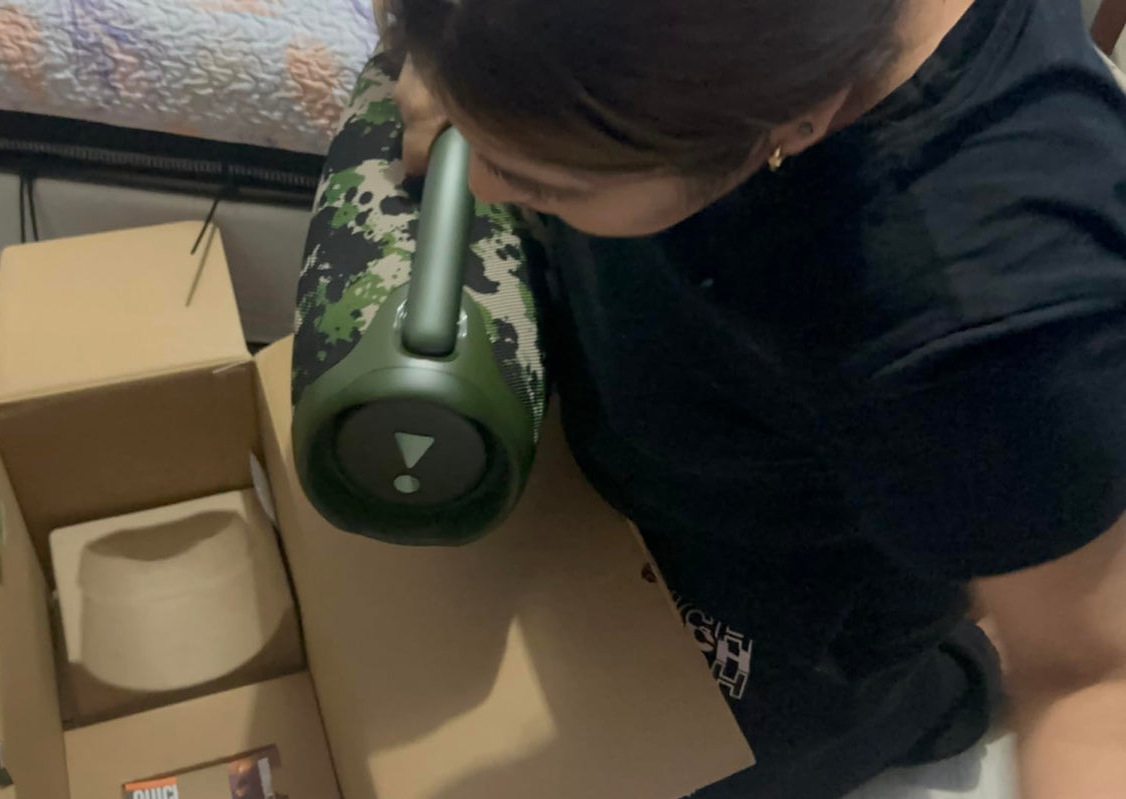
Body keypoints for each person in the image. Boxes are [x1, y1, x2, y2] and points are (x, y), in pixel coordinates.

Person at [386, 0, 1126, 797]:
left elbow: (1091, 678)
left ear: (794, 124)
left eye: (542, 180)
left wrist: (1046, 611)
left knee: (731, 757)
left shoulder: (993, 333)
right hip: (673, 402)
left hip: (797, 576)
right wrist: (469, 71)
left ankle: (957, 684)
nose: (477, 179)